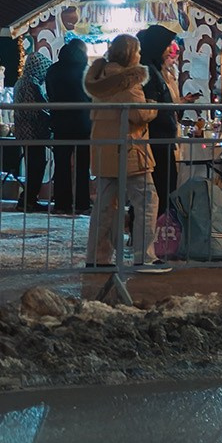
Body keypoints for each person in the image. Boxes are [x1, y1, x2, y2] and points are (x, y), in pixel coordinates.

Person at [84, 33, 156, 267]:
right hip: (129, 149)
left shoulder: (101, 79)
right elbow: (139, 114)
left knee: (104, 206)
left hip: (104, 149)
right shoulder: (128, 81)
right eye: (137, 51)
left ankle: (98, 256)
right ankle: (144, 255)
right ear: (130, 54)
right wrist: (154, 107)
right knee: (146, 200)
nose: (140, 55)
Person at [44, 38, 92, 216]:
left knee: (61, 164)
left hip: (60, 123)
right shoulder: (85, 71)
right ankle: (81, 202)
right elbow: (92, 96)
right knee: (82, 165)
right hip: (83, 123)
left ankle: (61, 203)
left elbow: (50, 94)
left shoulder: (53, 70)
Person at [139, 25, 181, 207]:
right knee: (162, 186)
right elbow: (150, 106)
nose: (168, 51)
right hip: (157, 138)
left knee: (167, 184)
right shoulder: (148, 69)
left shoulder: (154, 67)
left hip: (162, 136)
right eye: (165, 46)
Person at [12, 44, 52, 211]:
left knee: (33, 165)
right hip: (33, 133)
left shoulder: (21, 82)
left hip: (23, 132)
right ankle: (28, 199)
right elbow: (36, 109)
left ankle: (28, 198)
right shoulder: (31, 84)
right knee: (36, 165)